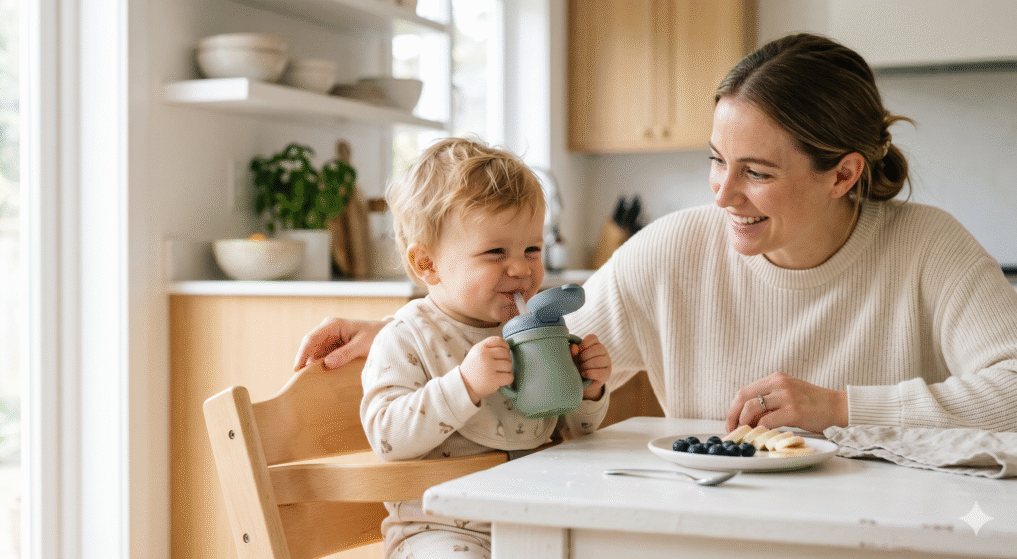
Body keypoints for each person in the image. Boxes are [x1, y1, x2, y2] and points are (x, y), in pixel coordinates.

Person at [296, 33, 1017, 436]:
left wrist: (841, 407)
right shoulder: (676, 251)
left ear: (841, 173)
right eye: (715, 162)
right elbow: (543, 341)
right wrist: (405, 326)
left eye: (756, 172)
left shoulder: (926, 247)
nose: (723, 195)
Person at [359, 137, 612, 559]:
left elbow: (574, 434)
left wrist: (587, 392)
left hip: (534, 521)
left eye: (532, 249)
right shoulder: (405, 337)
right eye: (496, 252)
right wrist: (464, 385)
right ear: (427, 264)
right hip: (437, 530)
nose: (521, 268)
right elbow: (387, 437)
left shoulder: (537, 328)